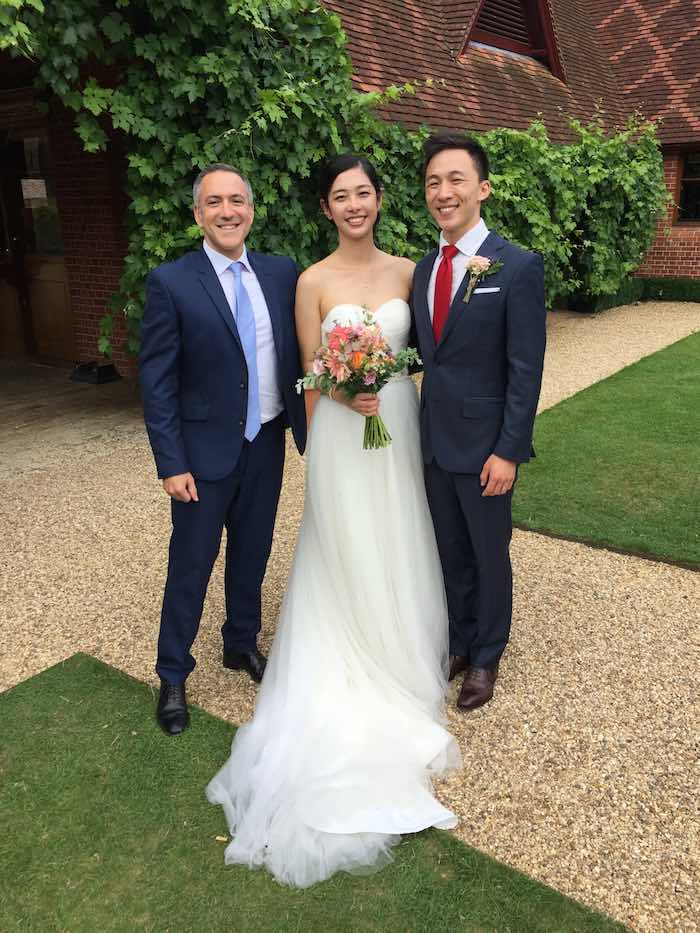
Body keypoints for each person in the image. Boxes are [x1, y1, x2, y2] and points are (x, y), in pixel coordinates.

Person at [206, 154, 459, 888]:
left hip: (398, 426)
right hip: (347, 438)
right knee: (347, 546)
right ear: (326, 207)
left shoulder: (411, 271)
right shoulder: (311, 282)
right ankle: (354, 657)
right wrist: (333, 419)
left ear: (380, 200)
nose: (354, 205)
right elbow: (309, 373)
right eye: (341, 196)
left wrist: (394, 394)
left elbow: (423, 359)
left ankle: (403, 650)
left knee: (401, 539)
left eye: (364, 193)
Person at [139, 163, 306, 736]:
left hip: (266, 442)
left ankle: (240, 643)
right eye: (215, 203)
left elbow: (299, 354)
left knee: (253, 551)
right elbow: (157, 382)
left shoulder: (282, 274)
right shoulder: (172, 282)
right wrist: (171, 463)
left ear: (252, 210)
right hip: (201, 456)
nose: (227, 211)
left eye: (237, 200)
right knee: (190, 565)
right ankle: (173, 674)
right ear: (198, 215)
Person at [411, 132, 546, 712]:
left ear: (482, 188)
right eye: (433, 182)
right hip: (434, 443)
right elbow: (426, 353)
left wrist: (509, 450)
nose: (444, 192)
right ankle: (461, 640)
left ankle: (487, 654)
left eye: (455, 180)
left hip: (487, 445)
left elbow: (525, 368)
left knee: (490, 552)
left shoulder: (516, 268)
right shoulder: (424, 268)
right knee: (450, 551)